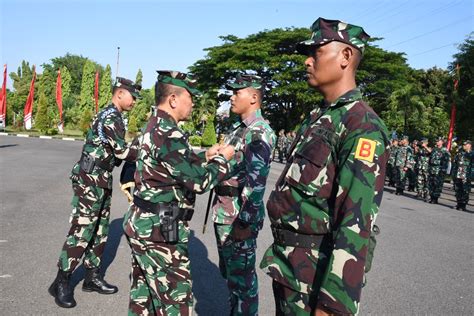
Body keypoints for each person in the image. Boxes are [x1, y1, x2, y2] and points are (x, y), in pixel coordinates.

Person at [259, 18, 390, 315]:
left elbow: (355, 224)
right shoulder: (320, 118)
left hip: (315, 281)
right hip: (291, 269)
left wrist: (333, 306)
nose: (307, 61)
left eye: (316, 53)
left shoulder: (361, 126)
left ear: (345, 56)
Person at [123, 70, 235, 315]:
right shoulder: (169, 133)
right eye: (189, 97)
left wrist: (204, 155)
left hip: (144, 224)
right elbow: (201, 182)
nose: (193, 103)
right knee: (175, 304)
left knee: (144, 302)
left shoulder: (154, 125)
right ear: (173, 99)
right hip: (161, 231)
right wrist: (223, 161)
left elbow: (168, 161)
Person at [48, 77, 142, 308]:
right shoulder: (111, 117)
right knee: (83, 230)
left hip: (100, 178)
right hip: (90, 179)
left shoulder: (115, 116)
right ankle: (61, 281)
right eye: (132, 96)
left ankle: (91, 277)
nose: (135, 101)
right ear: (119, 94)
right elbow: (122, 152)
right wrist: (148, 148)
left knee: (99, 230)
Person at [211, 73, 276, 315]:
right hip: (226, 213)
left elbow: (256, 183)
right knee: (232, 277)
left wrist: (245, 222)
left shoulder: (258, 132)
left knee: (243, 283)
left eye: (238, 92)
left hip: (238, 217)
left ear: (254, 97)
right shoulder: (239, 129)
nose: (232, 96)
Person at [428, 137, 450, 204]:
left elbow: (446, 162)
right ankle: (431, 197)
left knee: (437, 184)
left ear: (442, 142)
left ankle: (435, 198)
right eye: (436, 141)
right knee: (431, 184)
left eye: (438, 141)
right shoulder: (434, 149)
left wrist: (443, 170)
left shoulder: (445, 150)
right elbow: (430, 159)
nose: (436, 142)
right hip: (432, 169)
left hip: (439, 170)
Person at [451, 140, 472, 211]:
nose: (463, 146)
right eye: (463, 144)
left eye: (465, 145)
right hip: (458, 174)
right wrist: (453, 174)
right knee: (458, 189)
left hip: (466, 175)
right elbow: (455, 164)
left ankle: (463, 205)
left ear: (469, 145)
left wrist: (471, 175)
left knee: (465, 190)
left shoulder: (472, 154)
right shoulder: (460, 153)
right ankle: (458, 203)